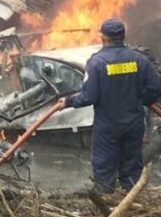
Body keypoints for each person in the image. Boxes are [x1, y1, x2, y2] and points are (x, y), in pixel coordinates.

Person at [55, 19, 161, 194]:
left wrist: (68, 101)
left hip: (108, 126)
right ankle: (130, 200)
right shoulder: (139, 60)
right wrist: (141, 99)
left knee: (104, 167)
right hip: (134, 123)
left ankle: (105, 199)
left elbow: (89, 96)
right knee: (132, 166)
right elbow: (156, 87)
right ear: (123, 36)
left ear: (103, 37)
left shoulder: (97, 62)